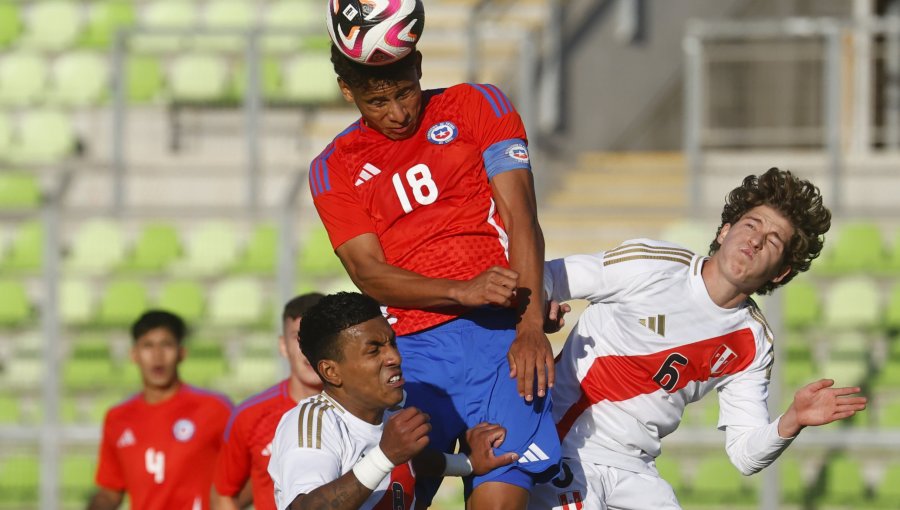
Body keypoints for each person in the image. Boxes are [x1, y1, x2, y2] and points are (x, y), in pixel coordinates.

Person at [310, 12, 561, 507]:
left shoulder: (476, 104)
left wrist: (531, 325)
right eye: (377, 101)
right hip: (410, 356)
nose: (398, 112)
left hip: (501, 343)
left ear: (420, 65)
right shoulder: (332, 167)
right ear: (347, 91)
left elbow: (521, 219)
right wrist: (460, 290)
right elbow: (369, 273)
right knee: (392, 496)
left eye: (404, 92)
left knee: (501, 495)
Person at [527, 168, 868, 510]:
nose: (756, 240)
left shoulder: (752, 342)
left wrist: (792, 420)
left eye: (774, 240)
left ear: (780, 273)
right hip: (564, 447)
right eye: (751, 225)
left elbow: (745, 454)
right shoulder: (652, 265)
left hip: (635, 472)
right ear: (725, 232)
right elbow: (549, 275)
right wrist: (538, 313)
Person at [268, 292, 518, 509]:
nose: (394, 357)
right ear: (331, 371)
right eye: (374, 349)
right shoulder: (314, 422)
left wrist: (466, 463)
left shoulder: (389, 410)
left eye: (392, 343)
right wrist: (385, 456)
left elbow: (410, 460)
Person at [88, 310, 233, 510]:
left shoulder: (215, 409)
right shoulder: (118, 418)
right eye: (148, 346)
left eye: (166, 345)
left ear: (182, 353)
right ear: (134, 355)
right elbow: (110, 490)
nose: (157, 356)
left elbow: (249, 473)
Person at [212, 293, 325, 510]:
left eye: (319, 335)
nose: (309, 348)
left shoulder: (362, 409)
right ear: (283, 346)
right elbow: (223, 494)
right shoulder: (251, 414)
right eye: (298, 337)